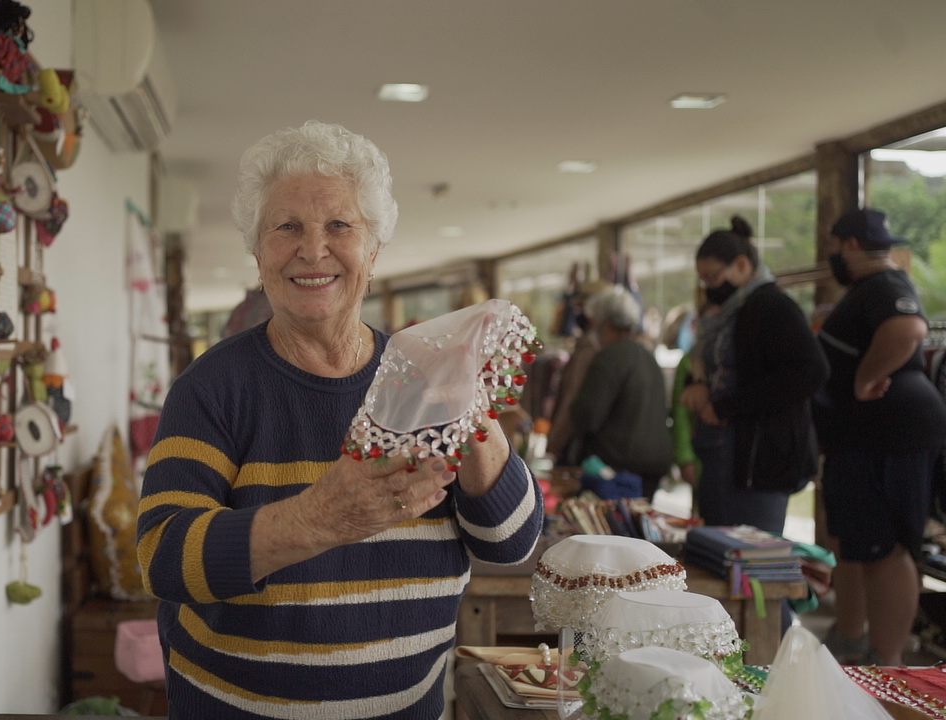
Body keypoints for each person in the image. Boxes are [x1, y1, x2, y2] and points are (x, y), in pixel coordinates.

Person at [136, 121, 544, 720]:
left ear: (374, 249)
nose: (313, 248)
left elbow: (511, 543)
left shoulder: (422, 375)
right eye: (286, 227)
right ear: (257, 252)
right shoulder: (213, 387)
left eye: (340, 226)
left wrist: (467, 404)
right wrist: (319, 517)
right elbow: (164, 557)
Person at [813, 207, 946, 666]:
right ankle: (853, 640)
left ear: (850, 246)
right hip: (866, 438)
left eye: (833, 249)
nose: (831, 258)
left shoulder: (885, 284)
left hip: (888, 435)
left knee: (886, 549)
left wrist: (864, 379)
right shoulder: (869, 290)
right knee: (861, 543)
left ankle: (887, 664)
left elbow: (908, 328)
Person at [679, 217, 827, 534]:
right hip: (726, 451)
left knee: (749, 560)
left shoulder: (771, 307)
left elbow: (809, 371)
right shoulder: (725, 314)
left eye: (713, 277)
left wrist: (726, 406)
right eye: (703, 279)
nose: (708, 287)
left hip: (759, 459)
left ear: (742, 266)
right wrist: (700, 385)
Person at [567, 286, 674, 499]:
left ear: (604, 322)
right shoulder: (647, 356)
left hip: (616, 467)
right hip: (654, 464)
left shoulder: (609, 358)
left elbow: (587, 415)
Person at [547, 279, 612, 464]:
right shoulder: (594, 342)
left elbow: (572, 397)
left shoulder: (590, 346)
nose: (577, 313)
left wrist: (556, 440)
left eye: (581, 306)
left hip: (576, 442)